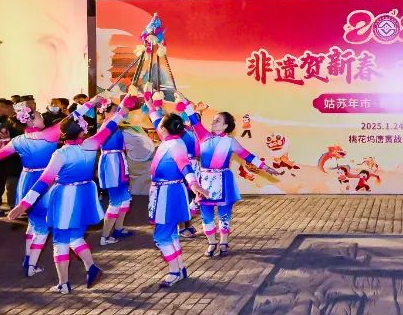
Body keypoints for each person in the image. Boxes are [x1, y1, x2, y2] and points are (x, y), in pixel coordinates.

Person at [8, 96, 131, 294]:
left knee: (60, 241)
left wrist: (24, 203)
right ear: (82, 131)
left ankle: (63, 284)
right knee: (76, 237)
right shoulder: (92, 144)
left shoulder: (61, 154)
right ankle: (91, 267)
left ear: (63, 134)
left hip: (65, 198)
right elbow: (112, 124)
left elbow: (44, 181)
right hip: (85, 196)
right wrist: (125, 107)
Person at [0, 103, 84, 276]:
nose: (43, 118)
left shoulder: (18, 140)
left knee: (33, 223)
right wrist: (92, 102)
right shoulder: (49, 135)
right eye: (40, 116)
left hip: (26, 180)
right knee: (42, 225)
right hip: (44, 181)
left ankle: (28, 258)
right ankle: (31, 267)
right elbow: (72, 117)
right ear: (31, 121)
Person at [185, 108, 281, 257]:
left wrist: (266, 168)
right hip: (205, 182)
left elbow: (248, 156)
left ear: (225, 126)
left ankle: (223, 242)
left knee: (224, 214)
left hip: (223, 181)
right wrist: (183, 101)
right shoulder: (203, 136)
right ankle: (211, 242)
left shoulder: (230, 142)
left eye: (218, 120)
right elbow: (192, 117)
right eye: (214, 119)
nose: (213, 122)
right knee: (206, 215)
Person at [148, 101, 209, 287]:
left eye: (160, 124)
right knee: (171, 234)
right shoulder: (173, 141)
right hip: (167, 191)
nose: (157, 125)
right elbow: (156, 119)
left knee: (161, 236)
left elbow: (184, 165)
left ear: (164, 129)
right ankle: (180, 268)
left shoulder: (174, 145)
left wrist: (194, 184)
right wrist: (150, 105)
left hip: (167, 193)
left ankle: (174, 272)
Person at [97, 100, 134, 246]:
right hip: (112, 164)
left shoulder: (112, 125)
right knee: (116, 201)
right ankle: (105, 236)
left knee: (125, 199)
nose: (118, 113)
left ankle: (118, 229)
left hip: (118, 162)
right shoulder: (107, 125)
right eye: (115, 110)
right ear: (106, 112)